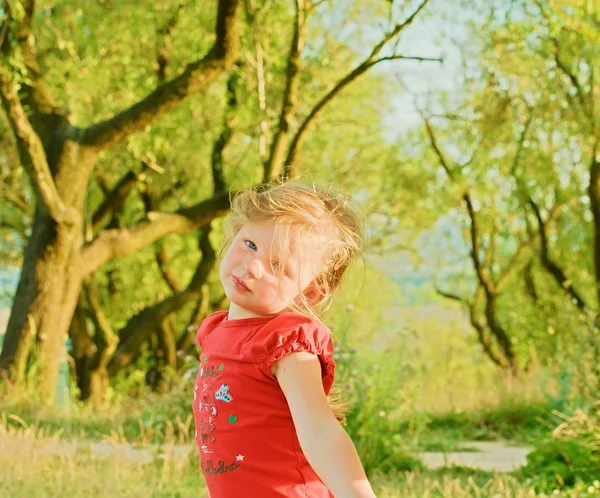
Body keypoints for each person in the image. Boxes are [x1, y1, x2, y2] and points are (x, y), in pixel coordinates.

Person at [192, 181, 376, 498]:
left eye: (277, 265)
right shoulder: (215, 333)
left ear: (311, 291)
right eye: (250, 244)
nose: (251, 266)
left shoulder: (288, 344)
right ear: (236, 231)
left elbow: (320, 432)